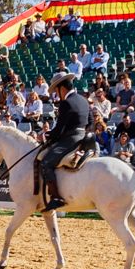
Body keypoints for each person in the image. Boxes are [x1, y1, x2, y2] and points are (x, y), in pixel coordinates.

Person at [40, 72, 90, 211]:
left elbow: (60, 129)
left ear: (62, 89)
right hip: (84, 136)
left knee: (45, 163)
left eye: (56, 91)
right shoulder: (83, 99)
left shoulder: (66, 103)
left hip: (71, 139)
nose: (57, 94)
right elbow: (90, 121)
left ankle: (56, 197)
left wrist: (49, 136)